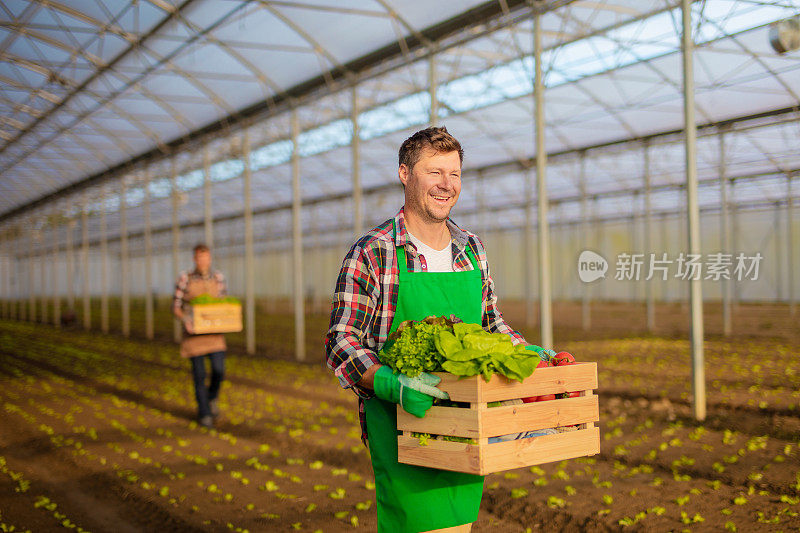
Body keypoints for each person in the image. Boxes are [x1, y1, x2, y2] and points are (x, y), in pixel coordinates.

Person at [325, 127, 527, 532]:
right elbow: (341, 341)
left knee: (457, 524)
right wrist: (389, 381)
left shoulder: (472, 249)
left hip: (466, 425)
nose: (446, 185)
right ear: (405, 173)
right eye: (434, 172)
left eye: (454, 174)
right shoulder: (374, 251)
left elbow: (490, 324)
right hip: (405, 431)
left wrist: (525, 352)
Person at [173, 244, 228, 429]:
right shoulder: (185, 279)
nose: (203, 261)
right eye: (200, 258)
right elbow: (176, 306)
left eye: (206, 257)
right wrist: (186, 319)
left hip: (214, 334)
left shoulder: (218, 278)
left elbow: (223, 303)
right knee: (199, 375)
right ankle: (204, 413)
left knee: (219, 371)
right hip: (194, 336)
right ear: (195, 259)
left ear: (210, 258)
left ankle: (211, 398)